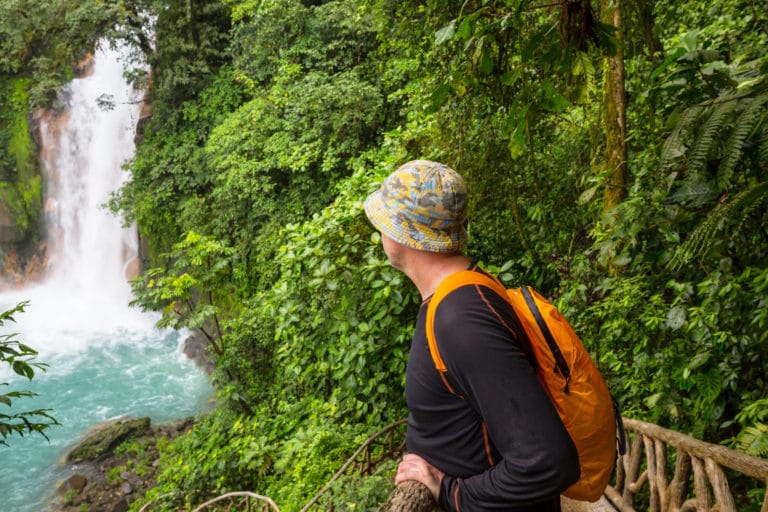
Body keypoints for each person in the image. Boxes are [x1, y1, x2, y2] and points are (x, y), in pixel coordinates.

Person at [363, 160, 580, 511]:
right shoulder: (462, 291)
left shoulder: (461, 319)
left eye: (384, 222)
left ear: (405, 233)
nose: (381, 233)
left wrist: (449, 492)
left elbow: (549, 462)